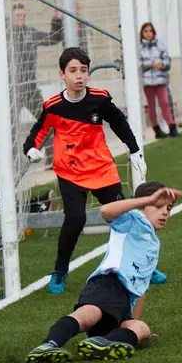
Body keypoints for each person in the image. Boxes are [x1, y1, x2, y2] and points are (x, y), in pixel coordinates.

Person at [23, 47, 160, 294]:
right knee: (75, 219)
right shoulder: (53, 106)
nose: (79, 76)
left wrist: (135, 150)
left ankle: (142, 265)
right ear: (62, 74)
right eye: (73, 71)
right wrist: (30, 148)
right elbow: (39, 131)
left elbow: (119, 122)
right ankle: (59, 272)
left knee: (124, 217)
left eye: (83, 70)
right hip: (70, 172)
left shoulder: (100, 98)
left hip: (101, 168)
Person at [25, 182, 180, 363]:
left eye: (168, 208)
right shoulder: (132, 219)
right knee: (88, 315)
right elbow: (106, 211)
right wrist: (148, 199)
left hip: (122, 303)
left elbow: (140, 288)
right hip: (107, 285)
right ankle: (48, 345)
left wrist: (130, 320)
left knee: (141, 328)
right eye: (158, 206)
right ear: (141, 206)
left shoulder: (153, 245)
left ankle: (104, 343)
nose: (164, 212)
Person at [11, 4, 63, 117]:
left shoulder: (31, 33)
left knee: (46, 121)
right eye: (18, 15)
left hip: (30, 87)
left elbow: (54, 39)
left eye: (23, 15)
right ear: (12, 17)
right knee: (9, 127)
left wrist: (56, 20)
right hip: (12, 89)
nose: (21, 18)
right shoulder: (5, 36)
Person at [139, 23, 177, 138]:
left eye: (150, 31)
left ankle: (172, 127)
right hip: (147, 81)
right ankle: (157, 130)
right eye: (145, 31)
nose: (148, 33)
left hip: (160, 80)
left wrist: (162, 64)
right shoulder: (139, 48)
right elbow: (138, 64)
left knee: (164, 103)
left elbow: (167, 61)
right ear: (142, 33)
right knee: (151, 105)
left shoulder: (160, 45)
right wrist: (150, 64)